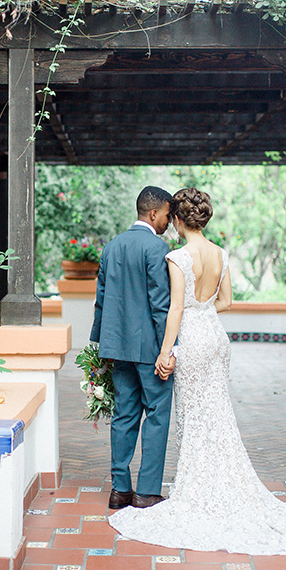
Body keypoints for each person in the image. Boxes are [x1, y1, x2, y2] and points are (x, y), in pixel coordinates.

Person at [108, 187, 286, 554]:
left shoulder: (177, 257)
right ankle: (221, 483)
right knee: (216, 411)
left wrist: (167, 350)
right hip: (216, 338)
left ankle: (198, 487)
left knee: (193, 416)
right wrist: (202, 314)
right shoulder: (220, 253)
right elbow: (227, 301)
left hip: (190, 338)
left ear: (176, 219)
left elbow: (173, 310)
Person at [90, 185, 176, 510]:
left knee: (124, 414)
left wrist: (99, 347)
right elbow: (160, 304)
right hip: (150, 350)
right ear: (154, 213)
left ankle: (120, 490)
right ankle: (147, 491)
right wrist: (169, 349)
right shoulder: (157, 248)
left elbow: (101, 300)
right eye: (167, 214)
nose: (168, 221)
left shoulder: (111, 247)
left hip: (117, 348)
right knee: (156, 414)